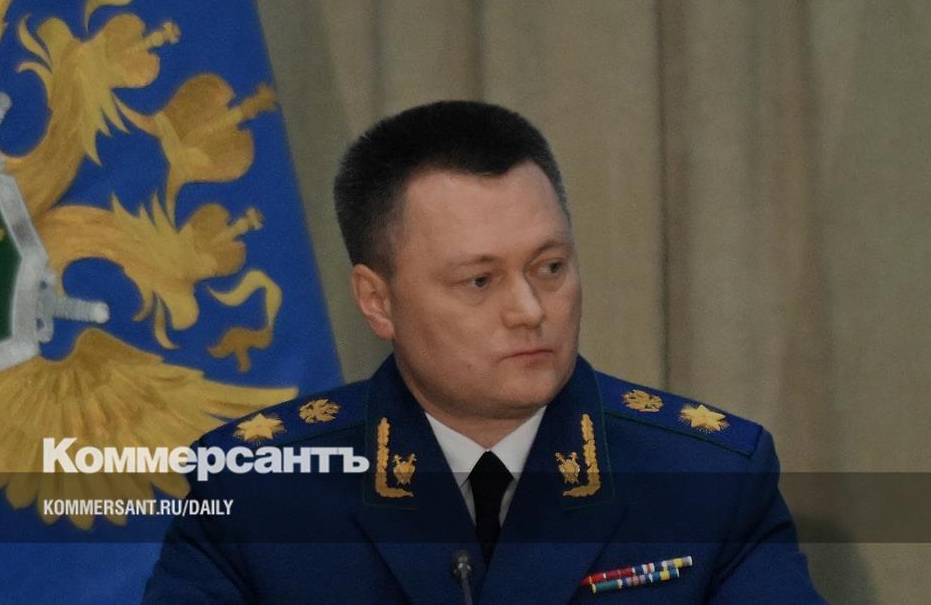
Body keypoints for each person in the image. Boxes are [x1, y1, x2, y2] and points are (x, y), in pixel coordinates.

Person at [144, 101, 823, 603]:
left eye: (550, 268)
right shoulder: (255, 490)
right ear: (377, 300)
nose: (529, 310)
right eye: (479, 280)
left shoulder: (711, 478)